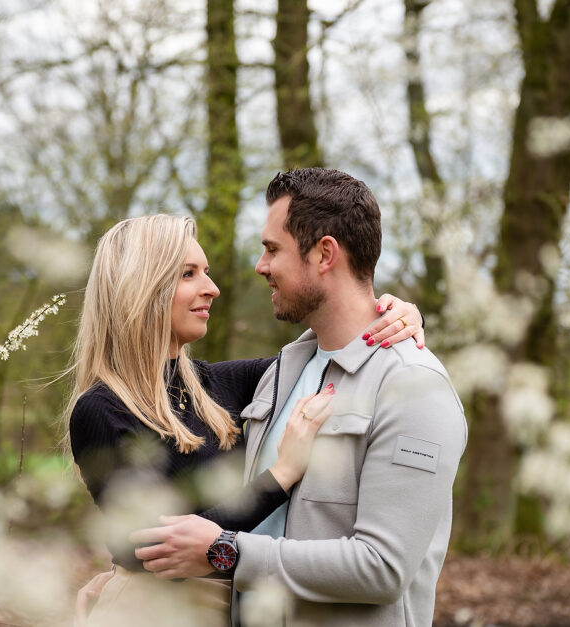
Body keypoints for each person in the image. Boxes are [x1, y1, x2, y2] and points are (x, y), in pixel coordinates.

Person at [128, 168, 467, 626]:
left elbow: (384, 569)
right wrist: (119, 580)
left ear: (324, 254)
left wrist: (224, 552)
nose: (260, 266)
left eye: (272, 249)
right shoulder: (281, 372)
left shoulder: (414, 389)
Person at [66, 213, 424, 625]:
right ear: (142, 289)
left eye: (207, 272)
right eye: (189, 274)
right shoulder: (100, 410)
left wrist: (394, 317)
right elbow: (152, 549)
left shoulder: (219, 385)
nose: (212, 288)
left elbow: (327, 353)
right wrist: (282, 475)